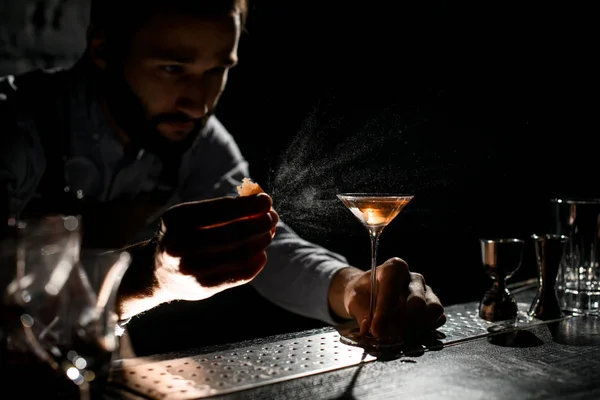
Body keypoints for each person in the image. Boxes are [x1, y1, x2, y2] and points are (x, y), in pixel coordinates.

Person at [0, 0, 445, 355]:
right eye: (173, 68)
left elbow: (272, 249)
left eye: (218, 70)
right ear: (102, 51)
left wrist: (351, 286)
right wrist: (152, 278)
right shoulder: (19, 128)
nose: (199, 103)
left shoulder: (199, 140)